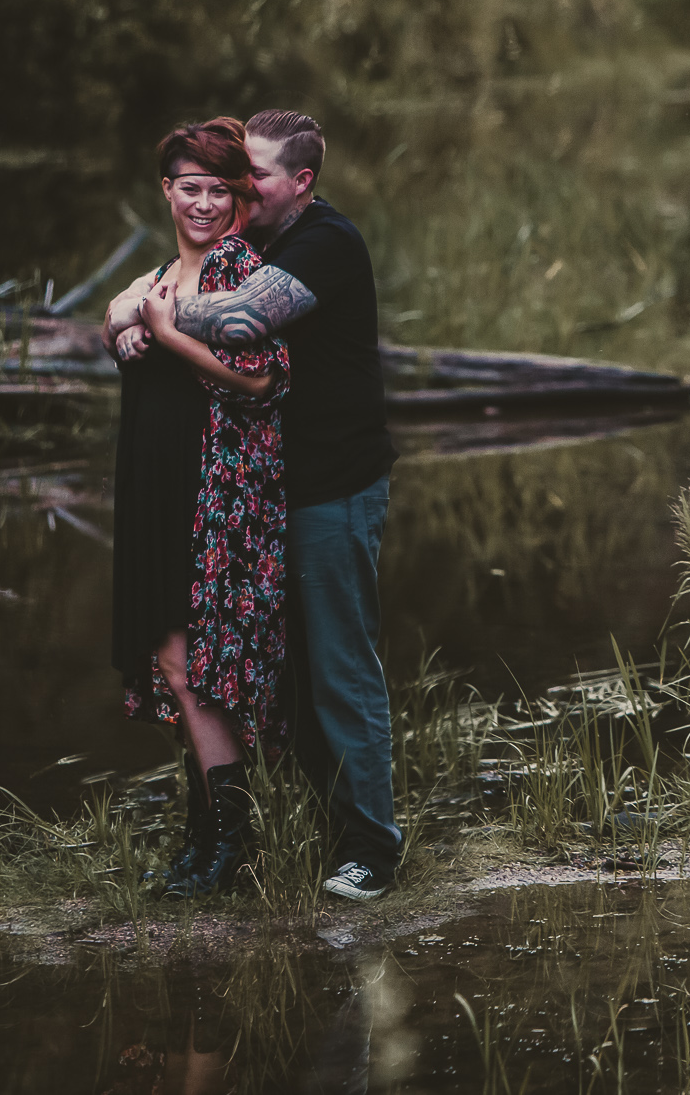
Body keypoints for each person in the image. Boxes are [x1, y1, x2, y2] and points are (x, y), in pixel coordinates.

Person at [135, 109, 400, 902]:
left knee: (340, 669)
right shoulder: (259, 239)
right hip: (268, 494)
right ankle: (311, 831)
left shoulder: (326, 242)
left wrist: (147, 314)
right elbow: (184, 280)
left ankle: (372, 852)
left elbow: (245, 320)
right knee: (279, 675)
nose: (241, 186)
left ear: (303, 182)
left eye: (257, 175)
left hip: (335, 488)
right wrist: (132, 303)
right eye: (234, 173)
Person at [102, 117, 290, 899]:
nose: (205, 202)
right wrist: (122, 325)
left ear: (238, 195)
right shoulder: (158, 279)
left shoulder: (240, 267)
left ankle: (228, 849)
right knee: (175, 668)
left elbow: (263, 375)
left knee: (195, 672)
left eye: (220, 188)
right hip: (158, 489)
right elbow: (134, 321)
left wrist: (159, 332)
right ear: (166, 191)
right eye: (190, 187)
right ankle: (199, 840)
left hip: (216, 495)